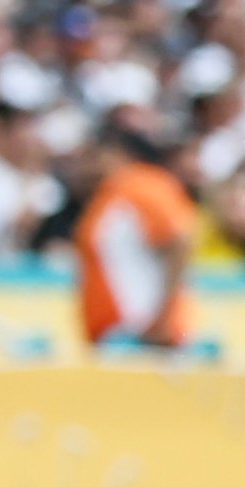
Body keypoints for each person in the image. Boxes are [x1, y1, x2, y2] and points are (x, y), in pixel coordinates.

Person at [77, 115, 198, 354]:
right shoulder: (111, 194)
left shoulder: (140, 184)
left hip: (143, 338)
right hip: (121, 338)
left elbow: (179, 241)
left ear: (116, 153)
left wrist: (161, 319)